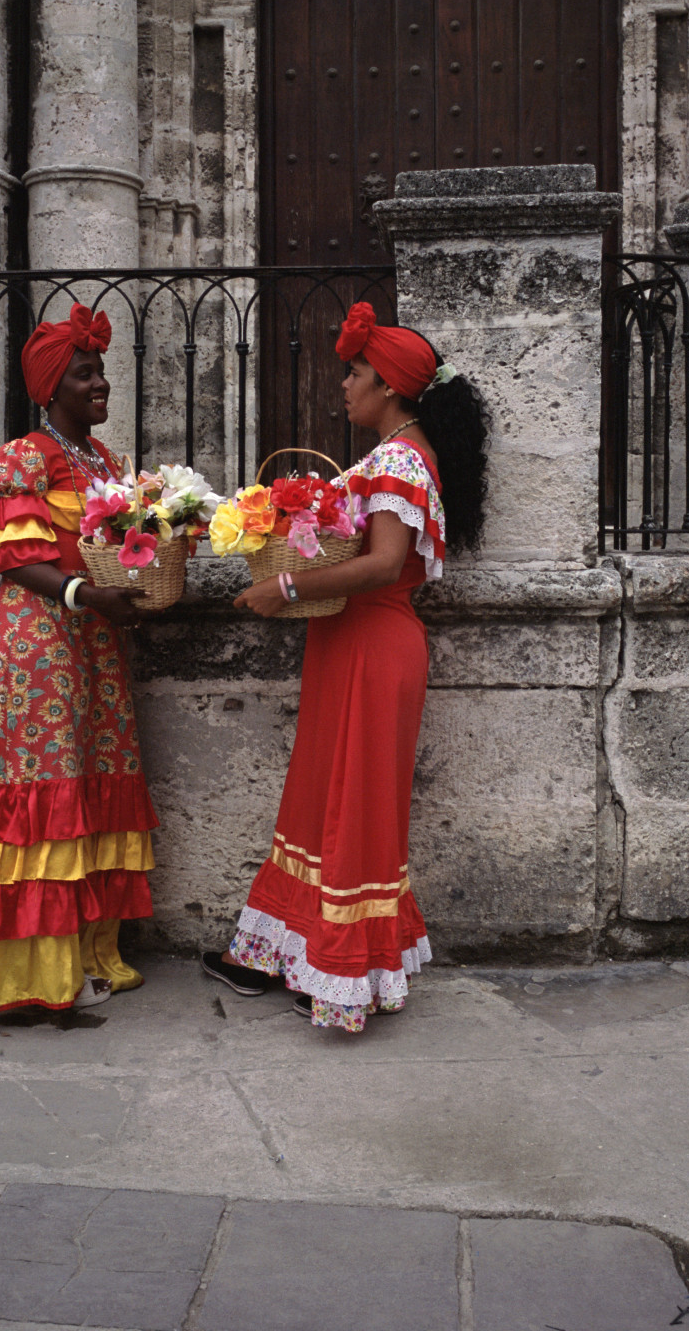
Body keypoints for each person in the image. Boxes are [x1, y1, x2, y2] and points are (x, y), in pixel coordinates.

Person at [202, 301, 486, 1033]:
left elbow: (385, 563)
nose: (344, 386)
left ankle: (339, 969)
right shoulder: (400, 452)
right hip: (352, 643)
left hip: (371, 642)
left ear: (388, 385)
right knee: (321, 797)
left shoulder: (397, 458)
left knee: (352, 806)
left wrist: (286, 585)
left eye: (354, 373)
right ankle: (285, 952)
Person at [0, 302, 157, 1014]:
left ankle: (89, 952)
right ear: (50, 387)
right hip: (36, 642)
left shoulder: (107, 463)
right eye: (85, 374)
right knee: (43, 788)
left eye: (102, 373)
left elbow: (119, 546)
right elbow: (12, 559)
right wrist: (89, 596)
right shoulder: (24, 456)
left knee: (88, 778)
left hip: (92, 639)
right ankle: (33, 973)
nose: (101, 385)